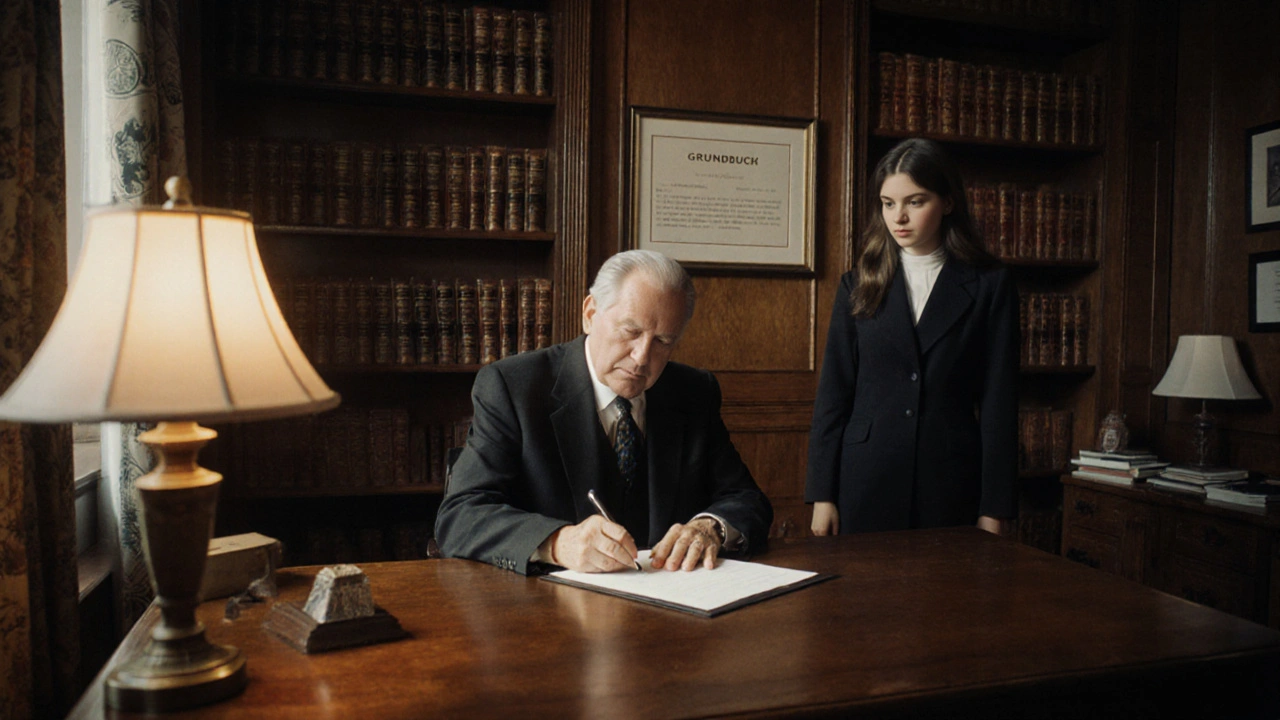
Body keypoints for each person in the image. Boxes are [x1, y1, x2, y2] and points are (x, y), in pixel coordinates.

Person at [435, 250, 773, 574]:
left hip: (673, 597)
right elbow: (460, 516)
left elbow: (746, 499)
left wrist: (710, 527)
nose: (641, 357)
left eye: (663, 341)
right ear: (590, 313)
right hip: (551, 604)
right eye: (630, 332)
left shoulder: (694, 391)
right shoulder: (513, 388)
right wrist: (556, 543)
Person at [806, 138, 1019, 537]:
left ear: (948, 202)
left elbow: (999, 402)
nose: (898, 217)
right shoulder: (858, 284)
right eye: (888, 204)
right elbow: (834, 394)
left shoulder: (990, 285)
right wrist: (822, 495)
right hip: (866, 480)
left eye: (915, 202)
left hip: (951, 483)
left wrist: (996, 507)